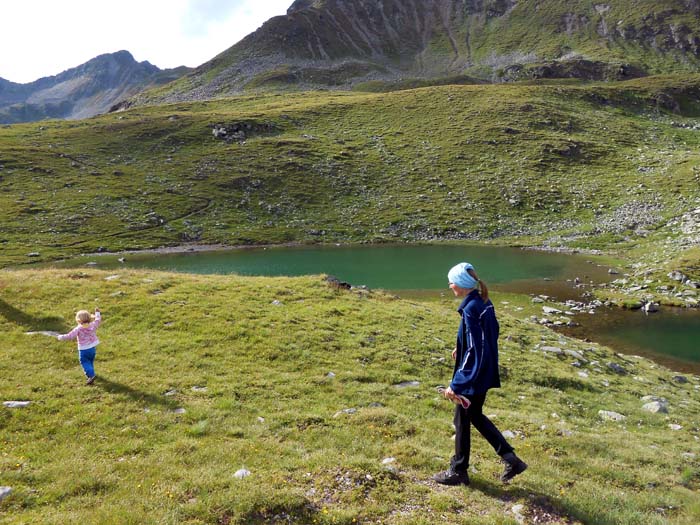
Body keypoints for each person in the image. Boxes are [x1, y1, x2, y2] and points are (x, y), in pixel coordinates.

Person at [433, 262, 527, 486]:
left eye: (452, 281)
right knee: (473, 415)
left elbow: (475, 351)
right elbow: (489, 334)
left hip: (473, 377)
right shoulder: (482, 301)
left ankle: (458, 471)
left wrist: (457, 384)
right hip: (484, 372)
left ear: (461, 285)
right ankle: (511, 459)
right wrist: (462, 345)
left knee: (462, 419)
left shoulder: (470, 308)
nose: (449, 285)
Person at [57, 307, 101, 385]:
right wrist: (97, 313)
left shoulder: (78, 329)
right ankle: (91, 373)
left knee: (84, 361)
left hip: (83, 350)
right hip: (92, 349)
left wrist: (60, 337)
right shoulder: (93, 325)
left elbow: (70, 336)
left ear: (78, 320)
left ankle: (91, 375)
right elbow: (98, 320)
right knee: (90, 361)